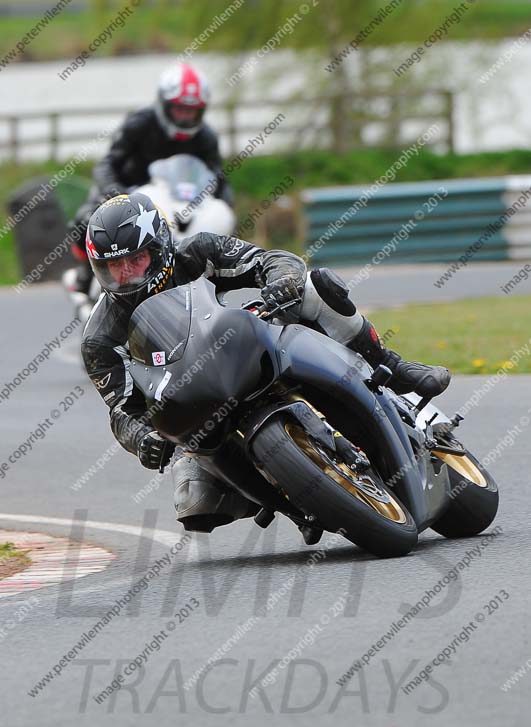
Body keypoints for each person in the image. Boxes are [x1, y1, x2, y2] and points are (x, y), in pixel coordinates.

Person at [82, 193, 450, 533]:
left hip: (236, 348)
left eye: (136, 259)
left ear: (160, 247)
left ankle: (391, 367)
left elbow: (272, 260)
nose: (126, 273)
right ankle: (292, 500)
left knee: (313, 286)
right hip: (192, 407)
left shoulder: (197, 252)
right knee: (194, 504)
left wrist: (283, 281)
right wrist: (141, 439)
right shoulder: (99, 338)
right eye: (114, 266)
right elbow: (121, 410)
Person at [65, 63, 231, 319]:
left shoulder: (206, 137)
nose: (185, 117)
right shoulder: (140, 123)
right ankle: (83, 279)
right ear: (164, 104)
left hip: (174, 202)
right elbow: (107, 164)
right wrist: (114, 192)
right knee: (86, 221)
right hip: (124, 194)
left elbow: (218, 180)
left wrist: (224, 207)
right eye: (179, 108)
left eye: (192, 110)